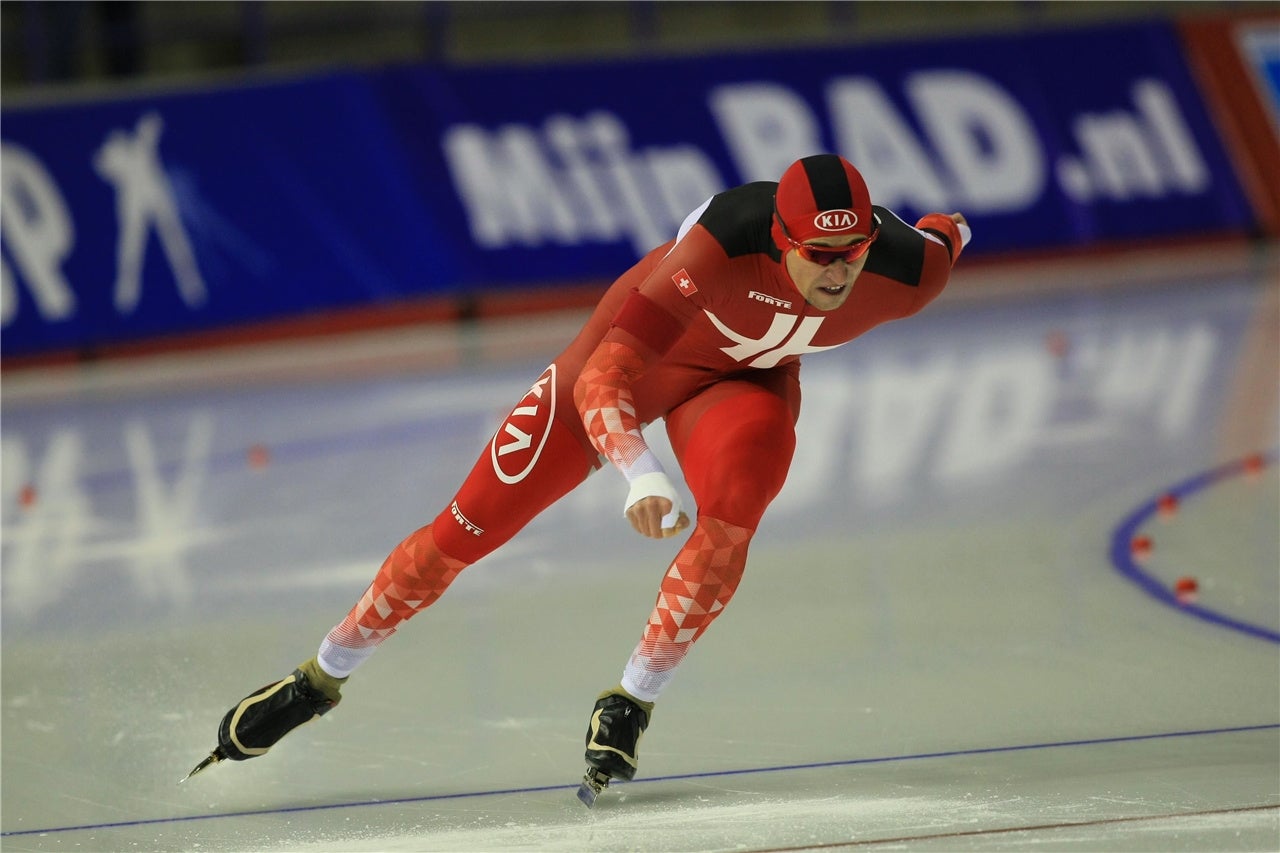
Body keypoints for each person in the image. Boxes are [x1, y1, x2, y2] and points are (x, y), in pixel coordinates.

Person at [191, 153, 971, 804]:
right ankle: (319, 677)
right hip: (632, 364)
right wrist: (637, 472)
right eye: (819, 255)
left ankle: (631, 700)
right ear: (779, 236)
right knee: (460, 536)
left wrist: (947, 226)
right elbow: (607, 375)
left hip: (746, 383)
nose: (838, 274)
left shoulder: (910, 273)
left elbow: (946, 231)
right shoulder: (719, 246)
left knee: (733, 516)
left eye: (853, 253)